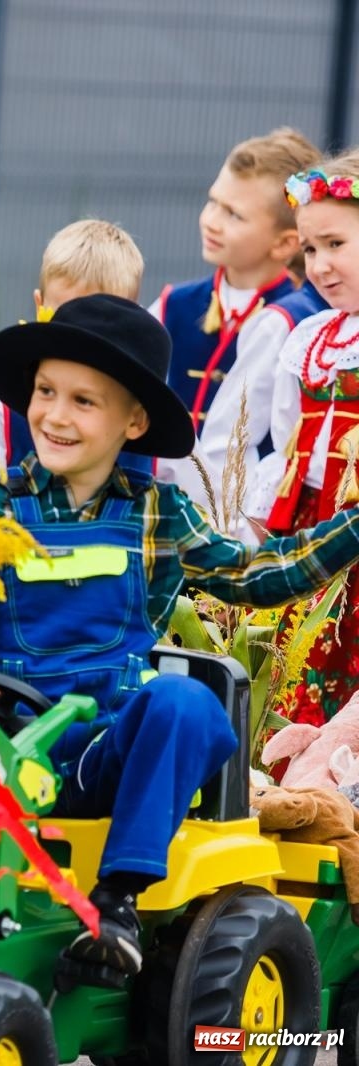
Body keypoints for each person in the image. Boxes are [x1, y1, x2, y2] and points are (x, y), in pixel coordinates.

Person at [0, 294, 359, 985]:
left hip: (102, 756)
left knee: (187, 702)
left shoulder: (157, 514)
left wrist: (353, 525)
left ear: (134, 420)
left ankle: (117, 904)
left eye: (84, 401)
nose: (55, 415)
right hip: (5, 748)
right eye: (46, 392)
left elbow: (262, 573)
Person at [248, 153, 359, 726]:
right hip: (307, 528)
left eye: (335, 244)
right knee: (293, 667)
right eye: (310, 250)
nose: (320, 265)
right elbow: (289, 440)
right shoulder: (312, 338)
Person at [0, 219, 147, 505]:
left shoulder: (150, 407)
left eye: (98, 328)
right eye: (63, 320)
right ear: (39, 305)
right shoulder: (2, 411)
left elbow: (205, 509)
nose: (78, 343)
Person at [149, 129, 318, 444]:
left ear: (285, 243)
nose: (211, 221)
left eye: (234, 215)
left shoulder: (301, 323)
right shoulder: (173, 304)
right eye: (213, 201)